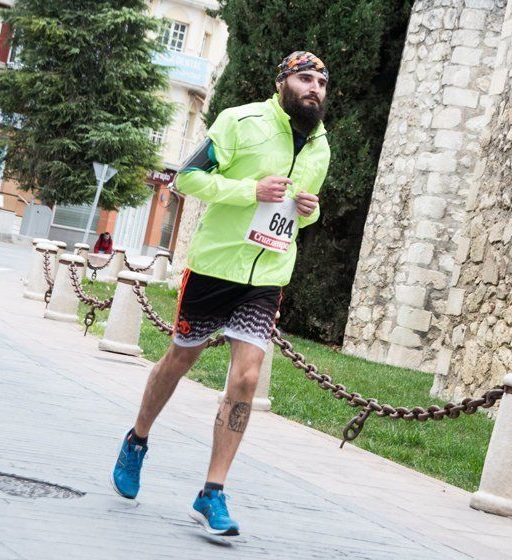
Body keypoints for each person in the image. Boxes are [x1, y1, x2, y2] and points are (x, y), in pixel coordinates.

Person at [111, 51, 330, 537]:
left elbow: (300, 214)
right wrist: (250, 190)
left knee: (248, 378)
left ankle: (212, 492)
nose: (314, 87)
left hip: (268, 275)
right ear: (282, 83)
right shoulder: (240, 122)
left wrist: (310, 211)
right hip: (213, 270)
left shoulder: (321, 148)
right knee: (179, 360)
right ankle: (137, 439)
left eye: (321, 81)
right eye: (304, 78)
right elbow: (187, 178)